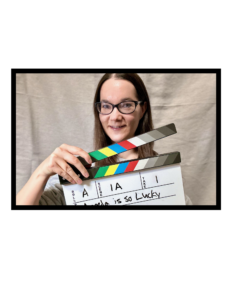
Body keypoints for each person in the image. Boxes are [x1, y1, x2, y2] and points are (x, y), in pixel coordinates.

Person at [16, 73, 192, 205]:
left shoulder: (166, 174)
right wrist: (42, 173)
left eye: (126, 105)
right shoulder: (80, 169)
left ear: (142, 108)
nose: (115, 116)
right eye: (106, 106)